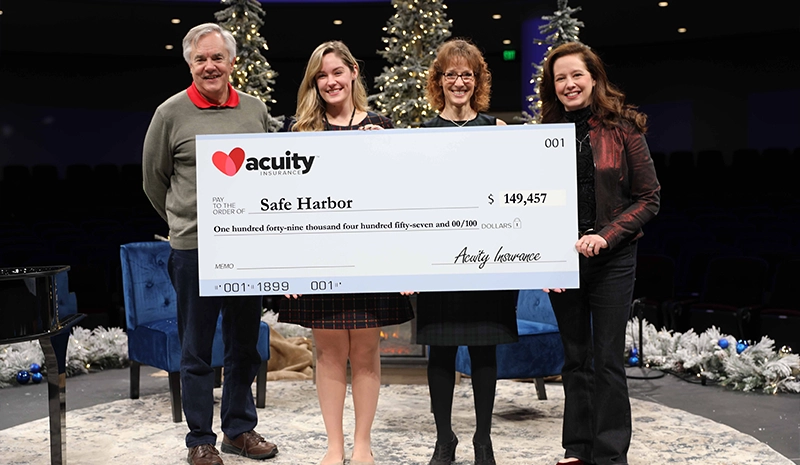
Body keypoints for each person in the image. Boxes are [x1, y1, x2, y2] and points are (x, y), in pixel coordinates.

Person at [142, 23, 279, 465]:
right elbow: (154, 181)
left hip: (247, 248)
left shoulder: (256, 111)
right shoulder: (170, 113)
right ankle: (199, 438)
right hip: (194, 250)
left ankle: (239, 430)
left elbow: (266, 173)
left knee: (244, 344)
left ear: (232, 61)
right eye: (201, 59)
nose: (209, 66)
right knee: (197, 349)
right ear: (190, 63)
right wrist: (183, 223)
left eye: (217, 57)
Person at [278, 40, 415, 465]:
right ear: (314, 82)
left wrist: (381, 153)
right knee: (330, 353)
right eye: (321, 75)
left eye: (337, 71)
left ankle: (362, 445)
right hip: (320, 259)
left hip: (373, 258)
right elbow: (284, 205)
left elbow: (401, 201)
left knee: (367, 353)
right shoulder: (299, 133)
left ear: (354, 72)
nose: (330, 81)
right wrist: (290, 268)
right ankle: (334, 447)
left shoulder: (382, 126)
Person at [540, 42, 660, 465]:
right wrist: (541, 257)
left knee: (607, 359)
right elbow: (531, 205)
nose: (569, 84)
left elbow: (649, 198)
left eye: (576, 75)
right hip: (563, 262)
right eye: (560, 78)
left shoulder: (624, 128)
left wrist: (606, 236)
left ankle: (610, 454)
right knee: (575, 358)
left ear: (594, 78)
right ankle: (577, 447)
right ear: (552, 87)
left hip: (613, 257)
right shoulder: (543, 133)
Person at [415, 38, 519, 465]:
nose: (459, 81)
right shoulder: (421, 135)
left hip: (485, 259)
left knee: (483, 350)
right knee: (439, 351)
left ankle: (483, 440)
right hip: (439, 262)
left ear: (478, 81)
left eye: (467, 74)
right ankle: (445, 439)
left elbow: (513, 194)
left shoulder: (498, 129)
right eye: (450, 74)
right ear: (438, 81)